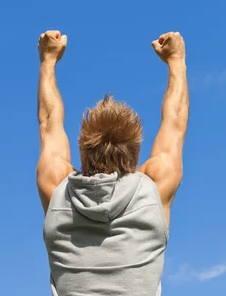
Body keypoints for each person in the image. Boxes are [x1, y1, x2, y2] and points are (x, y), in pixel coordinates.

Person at [36, 30, 189, 296]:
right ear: (135, 156)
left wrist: (48, 60)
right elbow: (174, 122)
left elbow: (49, 123)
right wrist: (176, 60)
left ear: (82, 154)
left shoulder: (58, 188)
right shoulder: (153, 189)